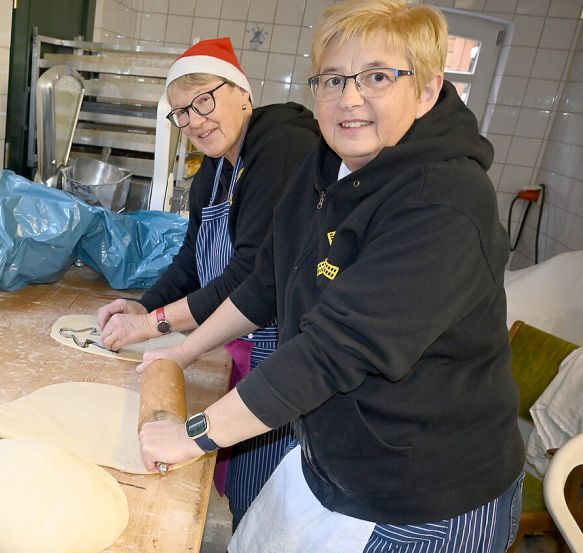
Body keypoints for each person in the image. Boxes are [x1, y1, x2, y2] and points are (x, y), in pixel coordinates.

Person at [138, 1, 525, 551]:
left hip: (425, 494)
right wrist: (180, 353)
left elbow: (335, 350)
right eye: (333, 79)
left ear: (428, 89)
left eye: (377, 77)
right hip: (336, 454)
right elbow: (266, 283)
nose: (349, 98)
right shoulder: (323, 168)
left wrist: (193, 435)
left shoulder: (445, 202)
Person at [95, 37, 319, 527]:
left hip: (286, 347)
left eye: (204, 100)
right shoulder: (214, 172)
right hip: (239, 335)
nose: (194, 120)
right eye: (181, 113)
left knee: (268, 494)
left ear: (243, 93)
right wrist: (143, 305)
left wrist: (157, 325)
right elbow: (193, 261)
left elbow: (254, 274)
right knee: (236, 483)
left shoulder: (281, 145)